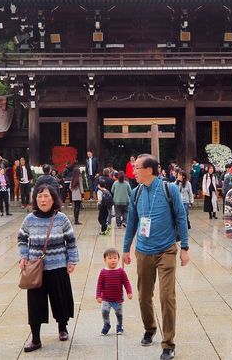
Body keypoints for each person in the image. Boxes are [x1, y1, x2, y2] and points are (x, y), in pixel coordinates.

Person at [123, 154, 190, 360]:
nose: (133, 171)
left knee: (166, 296)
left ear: (149, 170)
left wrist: (185, 247)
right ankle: (150, 328)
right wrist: (126, 249)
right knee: (144, 295)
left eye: (137, 168)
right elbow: (131, 222)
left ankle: (168, 343)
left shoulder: (168, 189)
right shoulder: (135, 193)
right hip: (143, 251)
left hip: (166, 250)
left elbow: (181, 216)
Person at [18, 184, 79, 353]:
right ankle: (36, 338)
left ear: (53, 198)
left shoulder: (61, 219)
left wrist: (72, 260)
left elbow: (71, 241)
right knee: (35, 304)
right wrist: (23, 256)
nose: (43, 200)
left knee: (60, 300)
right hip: (36, 270)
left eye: (46, 196)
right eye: (39, 196)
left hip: (58, 266)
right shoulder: (29, 219)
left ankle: (62, 327)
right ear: (35, 199)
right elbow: (22, 238)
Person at [96, 248, 133, 336]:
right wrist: (98, 295)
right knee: (104, 311)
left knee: (119, 313)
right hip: (106, 298)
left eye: (115, 258)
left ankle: (119, 326)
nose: (113, 260)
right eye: (110, 258)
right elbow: (99, 285)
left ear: (118, 259)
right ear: (105, 260)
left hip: (118, 298)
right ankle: (106, 325)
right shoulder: (103, 272)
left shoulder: (121, 271)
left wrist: (129, 292)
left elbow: (126, 282)